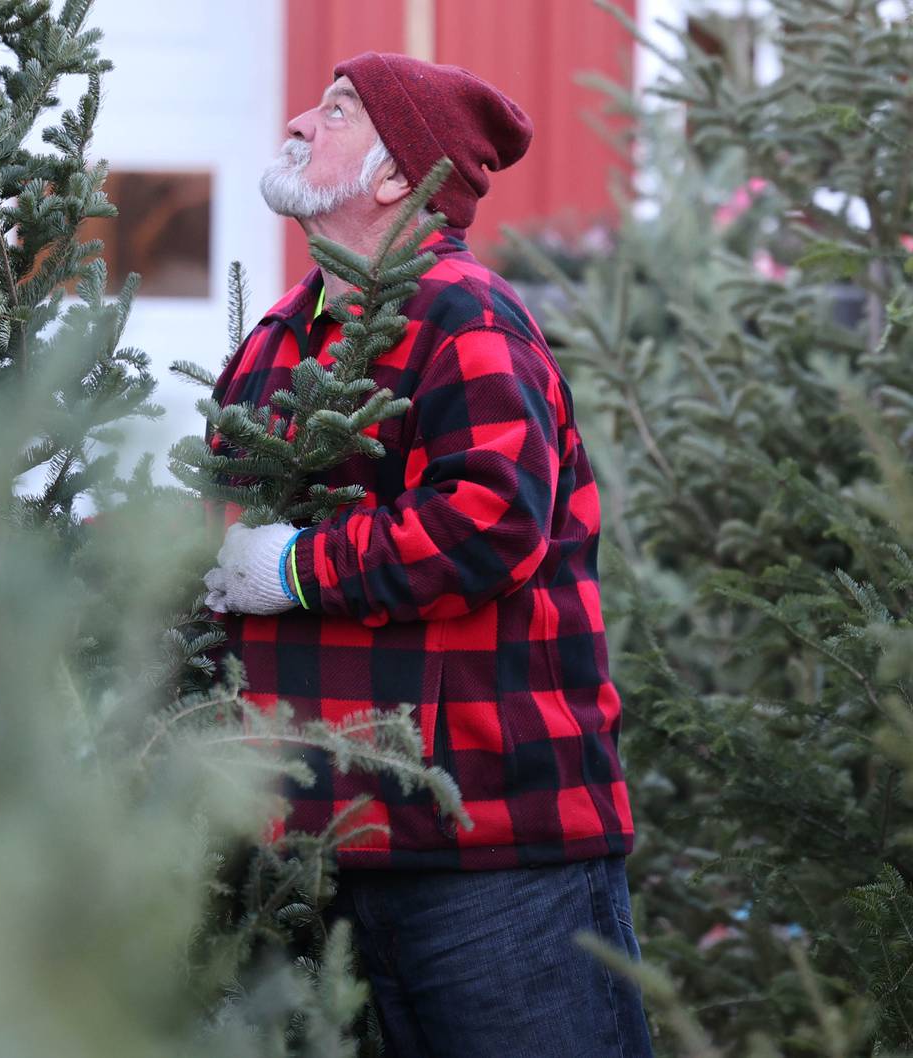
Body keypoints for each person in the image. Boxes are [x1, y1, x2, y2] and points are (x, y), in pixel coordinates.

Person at [200, 52, 654, 1058]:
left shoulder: (466, 315)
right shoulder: (278, 336)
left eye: (338, 112)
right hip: (325, 846)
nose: (302, 124)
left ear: (401, 173)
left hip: (489, 844)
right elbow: (216, 533)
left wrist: (294, 567)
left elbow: (491, 518)